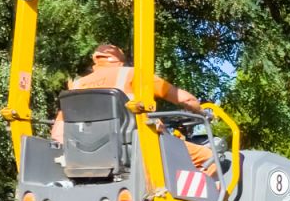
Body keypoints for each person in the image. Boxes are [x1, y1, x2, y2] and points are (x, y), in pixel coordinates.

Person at [52, 44, 214, 174]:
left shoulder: (77, 86)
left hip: (87, 157)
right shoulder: (132, 74)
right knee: (211, 157)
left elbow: (58, 132)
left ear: (95, 63)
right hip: (140, 146)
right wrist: (202, 112)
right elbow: (185, 99)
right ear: (120, 61)